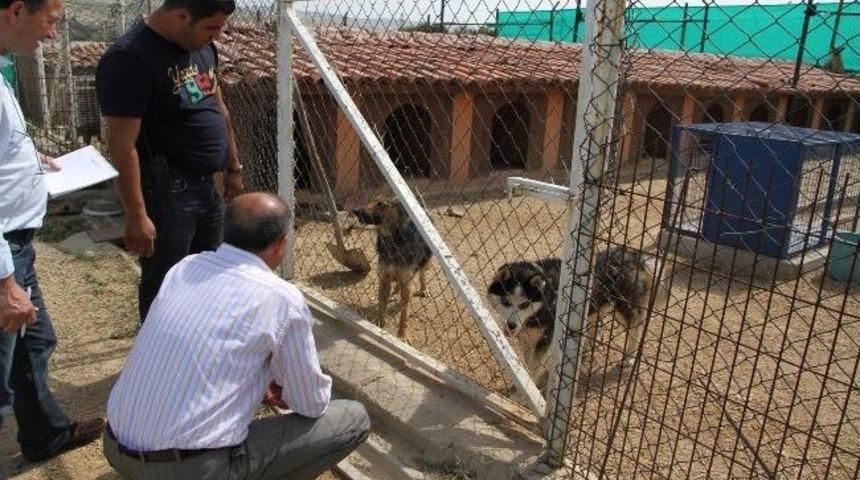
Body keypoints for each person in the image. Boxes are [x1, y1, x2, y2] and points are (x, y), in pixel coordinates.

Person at [103, 193, 370, 479]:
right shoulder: (281, 298)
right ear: (281, 245)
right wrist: (279, 386)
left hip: (115, 447)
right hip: (191, 470)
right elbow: (312, 403)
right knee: (354, 419)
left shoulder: (185, 267)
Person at [0, 0, 104, 466]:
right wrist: (4, 282)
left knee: (35, 343)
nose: (52, 34)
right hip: (4, 253)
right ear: (17, 10)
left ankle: (46, 434)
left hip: (16, 243)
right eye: (52, 21)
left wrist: (27, 159)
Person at [96, 0, 244, 323]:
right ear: (181, 16)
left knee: (210, 275)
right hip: (168, 191)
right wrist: (136, 214)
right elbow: (123, 146)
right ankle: (157, 363)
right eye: (211, 28)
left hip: (208, 187)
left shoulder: (203, 48)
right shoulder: (130, 59)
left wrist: (233, 168)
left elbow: (220, 110)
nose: (216, 37)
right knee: (165, 284)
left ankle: (196, 351)